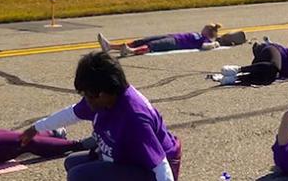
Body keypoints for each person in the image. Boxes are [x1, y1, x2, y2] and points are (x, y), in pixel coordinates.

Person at [19, 51, 181, 181]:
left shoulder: (134, 118)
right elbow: (71, 113)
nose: (85, 100)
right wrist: (35, 129)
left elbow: (160, 164)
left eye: (87, 95)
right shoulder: (104, 98)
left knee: (80, 175)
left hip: (149, 170)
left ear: (102, 95)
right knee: (73, 162)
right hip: (127, 158)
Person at [218, 38, 288, 85]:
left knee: (269, 78)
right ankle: (237, 69)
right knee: (274, 67)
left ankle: (236, 79)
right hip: (274, 51)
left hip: (265, 66)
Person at [96, 24, 222, 57]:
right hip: (171, 36)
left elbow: (205, 46)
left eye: (205, 28)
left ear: (208, 32)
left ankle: (130, 51)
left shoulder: (205, 39)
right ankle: (110, 46)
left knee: (152, 46)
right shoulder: (199, 35)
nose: (202, 29)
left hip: (175, 43)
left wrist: (215, 44)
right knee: (143, 40)